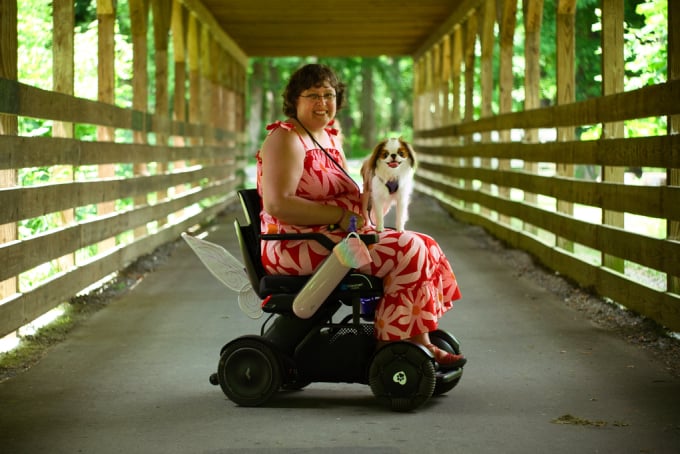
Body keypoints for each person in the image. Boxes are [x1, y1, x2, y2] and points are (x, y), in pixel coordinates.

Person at [256, 63, 465, 368]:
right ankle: (395, 345)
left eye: (328, 94)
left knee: (425, 244)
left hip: (335, 239)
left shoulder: (328, 138)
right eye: (312, 95)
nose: (322, 103)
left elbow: (349, 200)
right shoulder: (286, 139)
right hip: (296, 243)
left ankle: (416, 336)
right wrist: (341, 216)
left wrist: (376, 187)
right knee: (408, 249)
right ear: (294, 100)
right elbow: (278, 205)